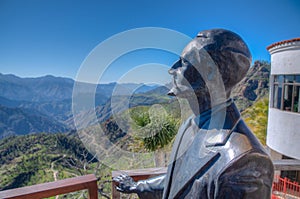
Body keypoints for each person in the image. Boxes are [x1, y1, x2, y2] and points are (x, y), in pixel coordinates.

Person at [113, 29, 274, 199]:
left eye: (183, 62)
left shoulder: (246, 164)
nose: (172, 69)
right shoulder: (190, 125)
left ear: (211, 73)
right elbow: (179, 179)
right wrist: (139, 186)